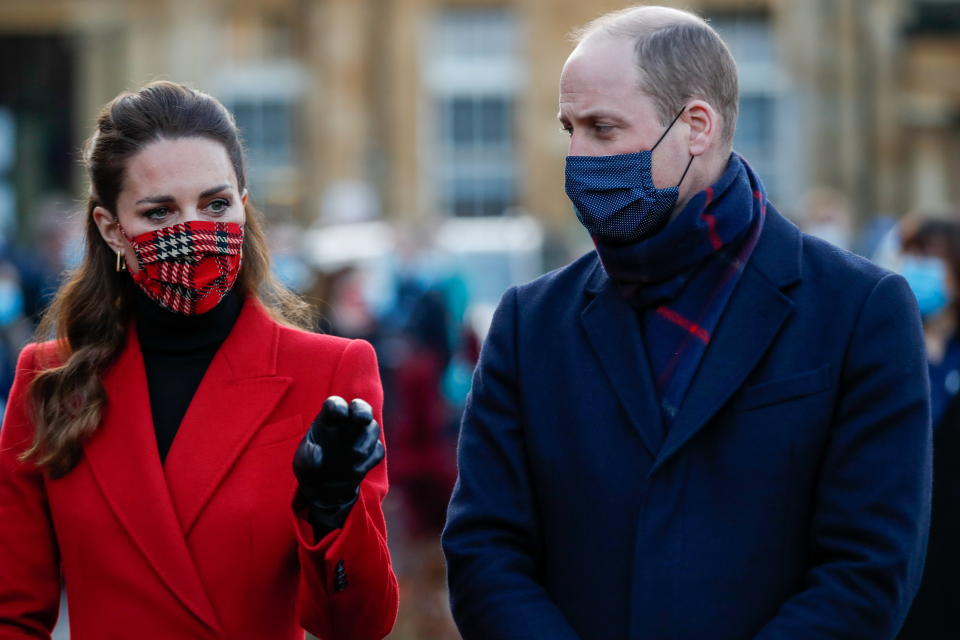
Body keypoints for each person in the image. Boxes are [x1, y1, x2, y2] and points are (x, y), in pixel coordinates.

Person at [442, 6, 931, 640]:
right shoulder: (529, 323)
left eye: (603, 128)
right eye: (570, 128)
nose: (576, 157)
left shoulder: (859, 309)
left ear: (695, 126)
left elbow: (869, 568)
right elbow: (485, 551)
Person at [0, 81, 398, 640]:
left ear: (243, 203)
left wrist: (331, 508)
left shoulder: (330, 372)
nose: (195, 231)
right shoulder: (50, 381)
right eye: (160, 212)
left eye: (215, 203)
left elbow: (359, 624)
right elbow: (12, 614)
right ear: (112, 230)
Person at [896, 215, 960, 639]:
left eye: (931, 255)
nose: (919, 266)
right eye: (912, 254)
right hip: (906, 540)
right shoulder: (888, 341)